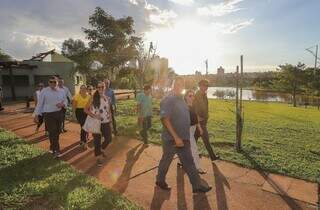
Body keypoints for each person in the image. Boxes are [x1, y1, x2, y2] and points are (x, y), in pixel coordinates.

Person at [156, 77, 212, 193]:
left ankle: (197, 186)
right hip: (171, 139)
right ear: (173, 84)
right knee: (166, 160)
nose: (179, 86)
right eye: (177, 84)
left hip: (183, 138)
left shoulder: (181, 99)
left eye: (182, 84)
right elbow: (165, 119)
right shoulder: (169, 99)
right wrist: (176, 137)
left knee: (189, 162)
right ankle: (160, 180)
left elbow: (186, 114)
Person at [34, 76, 67, 158]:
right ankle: (56, 150)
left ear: (57, 82)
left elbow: (65, 100)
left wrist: (63, 104)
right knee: (53, 131)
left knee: (58, 131)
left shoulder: (62, 91)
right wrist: (36, 115)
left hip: (59, 113)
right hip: (48, 114)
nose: (52, 83)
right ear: (48, 83)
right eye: (50, 82)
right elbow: (40, 103)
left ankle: (52, 147)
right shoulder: (44, 91)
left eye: (54, 82)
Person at [177, 90, 206, 174]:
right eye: (190, 96)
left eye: (193, 96)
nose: (192, 97)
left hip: (192, 129)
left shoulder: (192, 106)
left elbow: (195, 118)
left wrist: (199, 128)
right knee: (194, 148)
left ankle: (180, 161)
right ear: (185, 97)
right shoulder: (183, 107)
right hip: (186, 130)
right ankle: (198, 167)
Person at [85, 82, 113, 166]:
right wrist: (95, 116)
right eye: (98, 87)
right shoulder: (93, 98)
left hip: (106, 122)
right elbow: (85, 109)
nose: (100, 89)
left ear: (105, 88)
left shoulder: (107, 98)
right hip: (96, 122)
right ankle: (98, 158)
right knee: (97, 140)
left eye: (102, 87)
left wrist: (110, 121)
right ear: (96, 88)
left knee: (109, 138)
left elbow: (109, 111)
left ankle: (101, 149)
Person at [194, 79, 219, 161]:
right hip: (199, 122)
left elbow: (205, 107)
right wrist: (197, 118)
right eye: (204, 85)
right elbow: (194, 108)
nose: (206, 87)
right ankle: (213, 157)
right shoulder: (197, 95)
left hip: (202, 121)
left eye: (207, 85)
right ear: (200, 86)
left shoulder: (203, 94)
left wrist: (206, 115)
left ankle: (183, 158)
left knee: (193, 141)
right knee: (206, 140)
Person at [72, 84, 91, 149]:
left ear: (86, 89)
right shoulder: (76, 96)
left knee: (84, 126)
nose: (83, 90)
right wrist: (74, 114)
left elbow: (90, 106)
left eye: (84, 88)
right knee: (83, 125)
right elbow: (74, 106)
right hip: (79, 112)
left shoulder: (89, 96)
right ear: (80, 89)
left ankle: (82, 140)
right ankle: (84, 142)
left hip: (87, 112)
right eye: (82, 88)